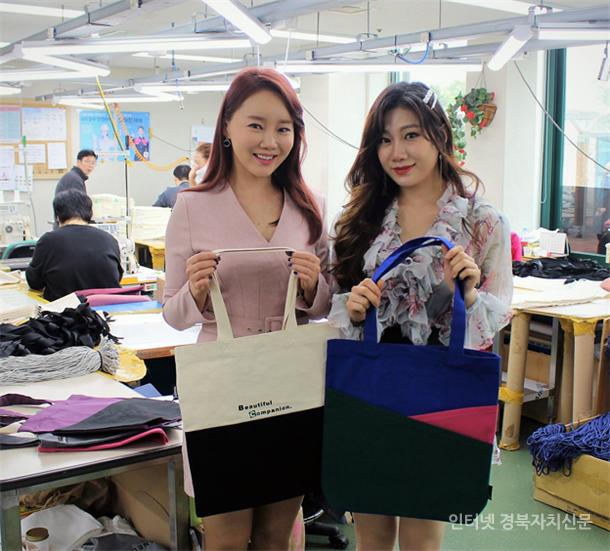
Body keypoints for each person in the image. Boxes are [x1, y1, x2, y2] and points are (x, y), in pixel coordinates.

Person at [328, 82, 513, 551]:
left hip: (442, 390)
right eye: (385, 139)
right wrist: (353, 308)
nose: (397, 152)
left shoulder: (481, 221)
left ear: (439, 135)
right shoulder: (362, 216)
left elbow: (495, 318)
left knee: (422, 540)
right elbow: (340, 304)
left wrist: (466, 295)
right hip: (370, 386)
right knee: (371, 537)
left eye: (411, 135)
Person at [162, 67, 331, 550]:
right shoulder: (192, 206)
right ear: (227, 127)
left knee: (277, 534)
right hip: (222, 380)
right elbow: (173, 314)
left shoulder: (312, 206)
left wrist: (314, 284)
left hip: (292, 379)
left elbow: (329, 302)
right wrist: (196, 291)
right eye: (256, 124)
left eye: (283, 128)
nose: (270, 141)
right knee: (226, 537)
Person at [26, 189, 123, 301]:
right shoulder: (109, 240)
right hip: (107, 309)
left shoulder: (48, 241)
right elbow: (117, 277)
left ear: (57, 216)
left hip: (66, 310)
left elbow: (35, 282)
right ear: (90, 214)